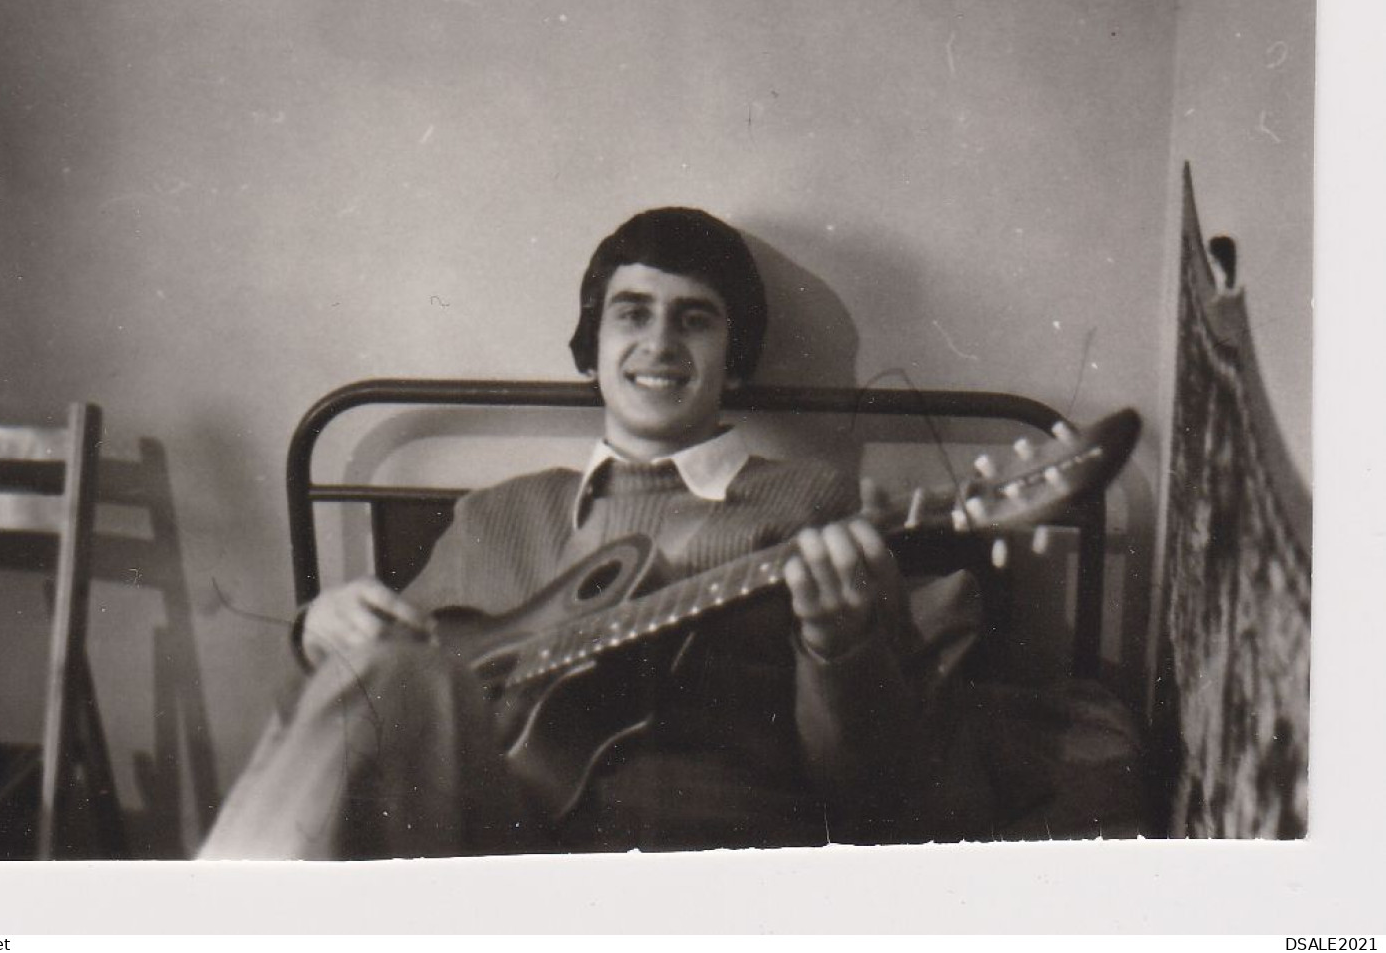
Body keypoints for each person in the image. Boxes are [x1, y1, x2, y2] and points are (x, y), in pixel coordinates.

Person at [199, 207, 980, 859]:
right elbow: (345, 733)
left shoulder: (814, 505)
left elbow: (879, 791)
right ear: (593, 345)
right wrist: (319, 636)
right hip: (485, 852)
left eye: (694, 319)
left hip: (694, 867)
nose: (660, 343)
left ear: (733, 358)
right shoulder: (494, 514)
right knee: (397, 673)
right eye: (631, 313)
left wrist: (838, 649)